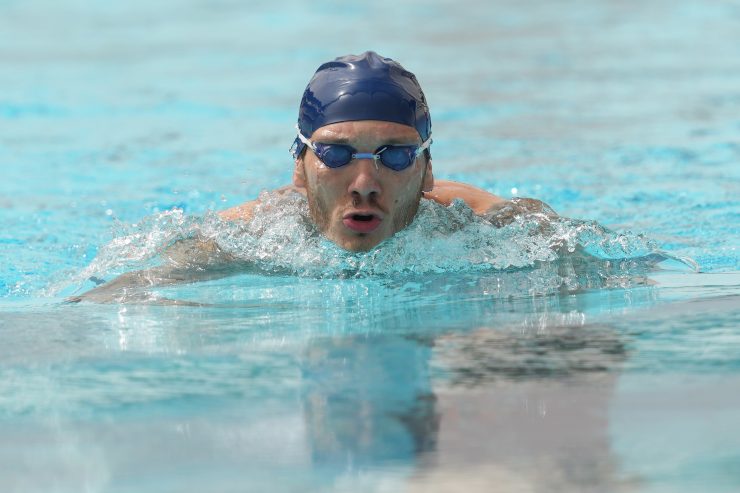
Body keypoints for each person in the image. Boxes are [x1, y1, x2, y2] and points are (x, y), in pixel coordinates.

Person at [220, 51, 552, 252]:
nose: (364, 184)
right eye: (336, 153)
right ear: (299, 167)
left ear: (427, 170)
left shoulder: (480, 222)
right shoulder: (244, 234)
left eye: (395, 155)